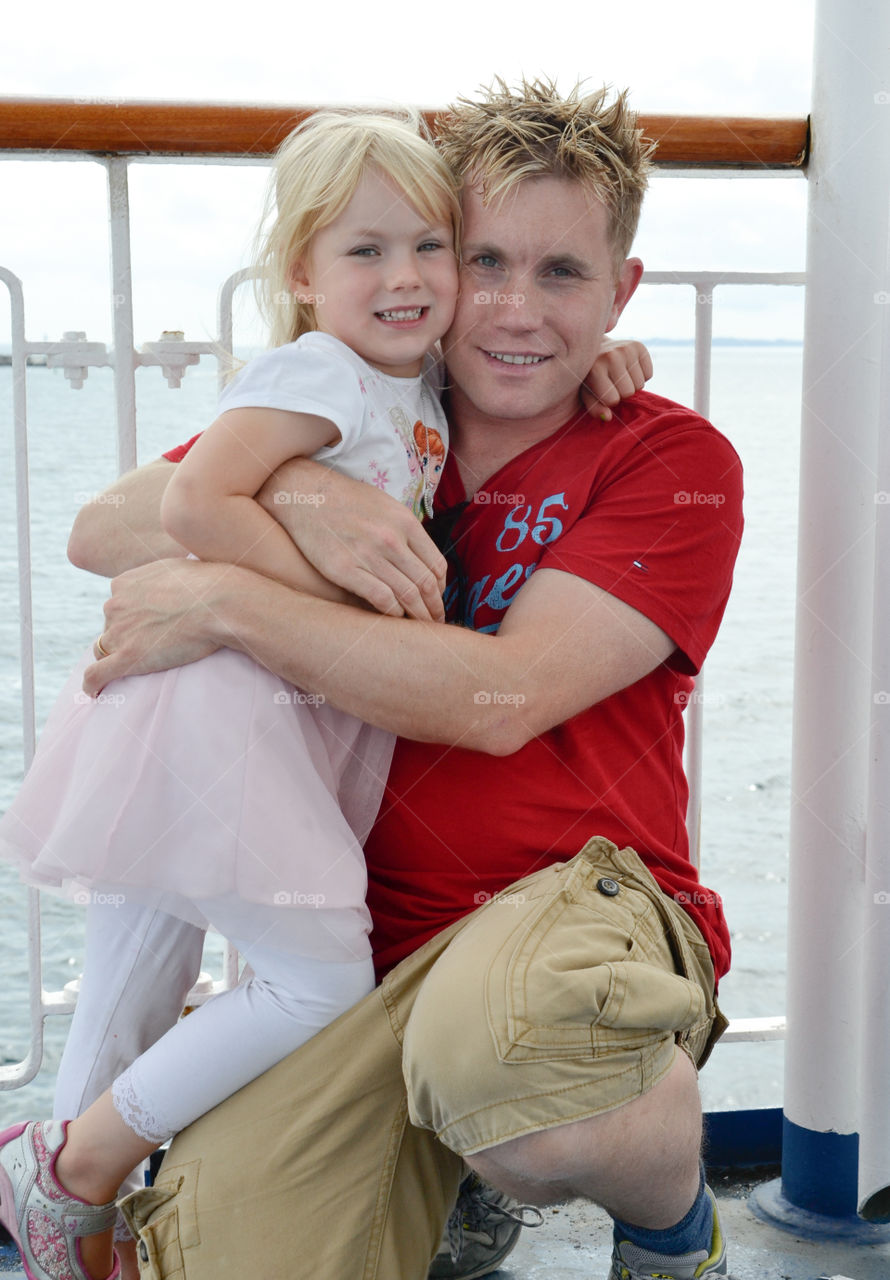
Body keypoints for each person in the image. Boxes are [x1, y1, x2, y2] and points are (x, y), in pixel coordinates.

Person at [63, 79, 742, 1280]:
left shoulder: (665, 454)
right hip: (366, 946)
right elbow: (110, 524)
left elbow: (500, 699)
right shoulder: (374, 407)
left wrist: (227, 595)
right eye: (481, 260)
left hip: (574, 902)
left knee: (522, 1082)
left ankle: (666, 1219)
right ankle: (449, 1172)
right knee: (227, 1254)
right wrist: (300, 491)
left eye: (563, 275)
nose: (513, 310)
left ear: (619, 291)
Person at [0, 109, 465, 1280]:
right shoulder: (316, 373)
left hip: (240, 707)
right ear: (302, 275)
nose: (403, 275)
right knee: (319, 978)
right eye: (364, 250)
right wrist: (330, 588)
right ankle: (72, 1162)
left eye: (429, 244)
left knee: (138, 957)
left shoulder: (412, 379)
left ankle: (60, 1217)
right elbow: (198, 504)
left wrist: (616, 354)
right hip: (223, 700)